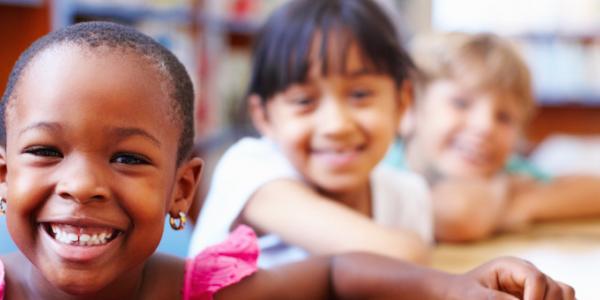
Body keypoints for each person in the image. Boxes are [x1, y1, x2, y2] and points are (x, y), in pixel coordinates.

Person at [0, 20, 576, 300]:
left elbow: (333, 274)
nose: (81, 184)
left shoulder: (198, 292)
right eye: (45, 151)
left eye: (127, 158)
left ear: (181, 190)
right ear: (4, 176)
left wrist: (451, 289)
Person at [189, 0, 433, 267]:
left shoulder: (406, 195)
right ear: (263, 116)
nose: (336, 126)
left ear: (402, 102)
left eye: (360, 95)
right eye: (304, 101)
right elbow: (397, 258)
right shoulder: (249, 170)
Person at [390, 32, 600, 242]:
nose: (485, 126)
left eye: (504, 117)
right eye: (461, 103)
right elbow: (457, 216)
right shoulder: (380, 170)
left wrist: (522, 204)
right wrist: (508, 197)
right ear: (409, 107)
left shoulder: (508, 169)